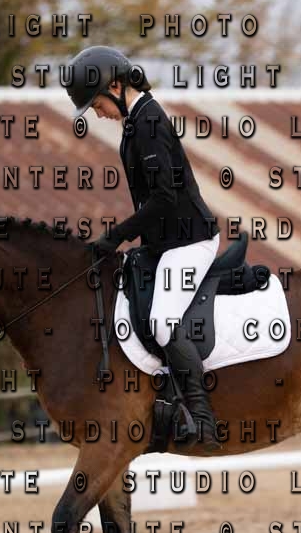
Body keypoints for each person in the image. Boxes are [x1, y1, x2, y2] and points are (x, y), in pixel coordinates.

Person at [65, 45, 222, 448]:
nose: (98, 112)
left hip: (190, 241)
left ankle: (202, 417)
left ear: (116, 87)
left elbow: (164, 199)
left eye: (97, 103)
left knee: (163, 321)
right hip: (165, 242)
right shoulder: (135, 123)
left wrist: (117, 235)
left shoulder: (149, 121)